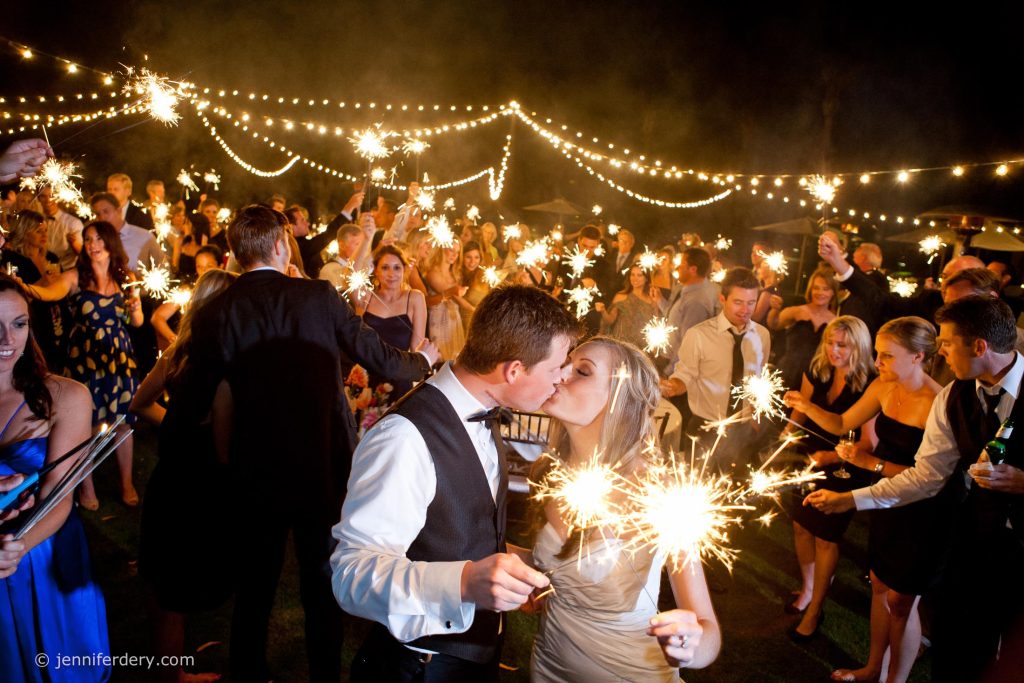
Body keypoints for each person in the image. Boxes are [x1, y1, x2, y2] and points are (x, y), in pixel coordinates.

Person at [186, 205, 438, 682]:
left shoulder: (218, 309)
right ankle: (325, 674)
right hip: (319, 465)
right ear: (282, 244)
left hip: (254, 464)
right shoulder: (318, 296)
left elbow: (196, 396)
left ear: (238, 252)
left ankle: (248, 672)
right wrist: (420, 361)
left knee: (255, 584)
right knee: (320, 580)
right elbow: (378, 356)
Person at [332, 284, 581, 682]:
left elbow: (455, 524)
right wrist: (464, 582)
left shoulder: (484, 409)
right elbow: (351, 576)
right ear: (513, 370)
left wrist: (514, 562)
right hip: (420, 666)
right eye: (556, 369)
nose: (561, 381)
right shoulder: (405, 438)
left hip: (476, 659)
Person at [805, 296, 1024, 682]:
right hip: (972, 541)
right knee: (959, 646)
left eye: (947, 343)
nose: (938, 351)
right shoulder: (955, 396)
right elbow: (926, 476)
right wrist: (850, 500)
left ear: (979, 347)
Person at [530, 336, 721, 681]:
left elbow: (709, 634)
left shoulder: (656, 494)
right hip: (548, 663)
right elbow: (558, 566)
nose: (560, 374)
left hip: (627, 671)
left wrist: (692, 644)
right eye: (566, 364)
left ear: (619, 399)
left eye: (582, 371)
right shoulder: (549, 471)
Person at [786, 317, 943, 683]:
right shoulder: (884, 386)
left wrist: (869, 463)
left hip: (922, 511)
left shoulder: (937, 402)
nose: (878, 362)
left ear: (918, 356)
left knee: (902, 604)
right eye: (877, 354)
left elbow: (931, 476)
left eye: (887, 355)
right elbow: (842, 424)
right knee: (879, 585)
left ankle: (895, 679)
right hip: (887, 502)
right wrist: (806, 407)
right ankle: (873, 666)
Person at [0, 274, 110, 682]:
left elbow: (60, 498)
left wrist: (15, 548)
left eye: (19, 323)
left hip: (36, 554)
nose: (7, 339)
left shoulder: (67, 396)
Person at [131, 269, 236, 683]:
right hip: (199, 494)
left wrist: (176, 423)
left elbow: (140, 402)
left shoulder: (179, 351)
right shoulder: (226, 372)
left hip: (165, 485)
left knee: (162, 589)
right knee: (178, 590)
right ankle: (172, 678)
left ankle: (168, 671)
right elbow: (226, 453)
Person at [23, 221, 143, 510]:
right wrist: (19, 286)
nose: (92, 244)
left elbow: (135, 323)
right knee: (87, 424)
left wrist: (136, 308)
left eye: (98, 238)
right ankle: (85, 486)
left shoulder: (127, 278)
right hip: (85, 360)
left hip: (119, 359)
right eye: (88, 239)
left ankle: (126, 483)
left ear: (110, 243)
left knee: (123, 423)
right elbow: (50, 294)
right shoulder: (76, 276)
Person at [778, 316, 875, 639]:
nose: (833, 350)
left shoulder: (870, 382)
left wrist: (832, 456)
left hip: (843, 466)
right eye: (830, 343)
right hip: (807, 457)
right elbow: (801, 410)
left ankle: (817, 608)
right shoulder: (817, 369)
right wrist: (787, 435)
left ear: (858, 347)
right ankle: (806, 588)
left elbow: (867, 442)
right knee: (800, 525)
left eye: (842, 346)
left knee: (825, 537)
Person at [661, 268, 770, 468]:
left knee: (735, 491)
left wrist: (756, 418)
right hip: (704, 428)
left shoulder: (762, 336)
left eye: (751, 303)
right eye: (738, 302)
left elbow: (758, 378)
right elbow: (685, 375)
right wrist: (673, 386)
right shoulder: (699, 335)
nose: (745, 310)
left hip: (742, 431)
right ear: (722, 299)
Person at [354, 244, 428, 400]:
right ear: (376, 271)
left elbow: (416, 347)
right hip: (367, 378)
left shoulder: (415, 298)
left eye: (397, 268)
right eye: (385, 267)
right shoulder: (366, 297)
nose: (391, 273)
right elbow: (352, 274)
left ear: (404, 270)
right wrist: (367, 238)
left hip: (400, 378)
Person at [768, 267, 838, 390]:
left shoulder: (836, 321)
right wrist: (775, 309)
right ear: (810, 289)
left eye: (825, 289)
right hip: (787, 373)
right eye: (816, 288)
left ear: (833, 292)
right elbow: (774, 324)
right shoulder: (797, 311)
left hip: (816, 378)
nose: (820, 293)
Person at [152, 246, 223, 352]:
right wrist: (175, 340)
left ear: (220, 266)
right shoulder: (189, 290)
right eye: (199, 266)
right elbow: (157, 317)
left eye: (209, 266)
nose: (204, 271)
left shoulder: (227, 289)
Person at [663, 246, 721, 375]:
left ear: (693, 270)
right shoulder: (689, 290)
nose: (678, 268)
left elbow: (688, 343)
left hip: (679, 371)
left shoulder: (697, 301)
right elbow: (677, 317)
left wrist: (670, 372)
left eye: (682, 264)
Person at [89, 191, 165, 274]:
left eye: (106, 212)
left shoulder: (144, 237)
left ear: (118, 211)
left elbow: (164, 269)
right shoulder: (93, 240)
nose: (102, 217)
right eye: (98, 214)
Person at [596, 264, 662, 350]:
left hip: (640, 348)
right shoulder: (621, 296)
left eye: (639, 275)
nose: (635, 278)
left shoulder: (652, 300)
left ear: (646, 278)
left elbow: (656, 325)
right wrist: (603, 311)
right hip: (620, 344)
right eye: (632, 274)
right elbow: (610, 320)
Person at [424, 241, 469, 361]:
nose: (454, 255)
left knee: (456, 356)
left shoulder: (454, 274)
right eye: (451, 250)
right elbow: (455, 297)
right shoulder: (433, 273)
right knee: (442, 357)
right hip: (440, 319)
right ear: (442, 249)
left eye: (457, 252)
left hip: (454, 319)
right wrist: (475, 310)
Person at [459, 241, 490, 332]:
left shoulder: (484, 276)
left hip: (480, 324)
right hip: (460, 325)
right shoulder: (458, 276)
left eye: (476, 257)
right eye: (468, 257)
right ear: (462, 257)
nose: (473, 261)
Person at [172, 211, 211, 282]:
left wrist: (203, 243)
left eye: (187, 223)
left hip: (201, 281)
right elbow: (175, 265)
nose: (183, 225)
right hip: (182, 281)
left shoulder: (207, 243)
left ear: (195, 226)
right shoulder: (180, 241)